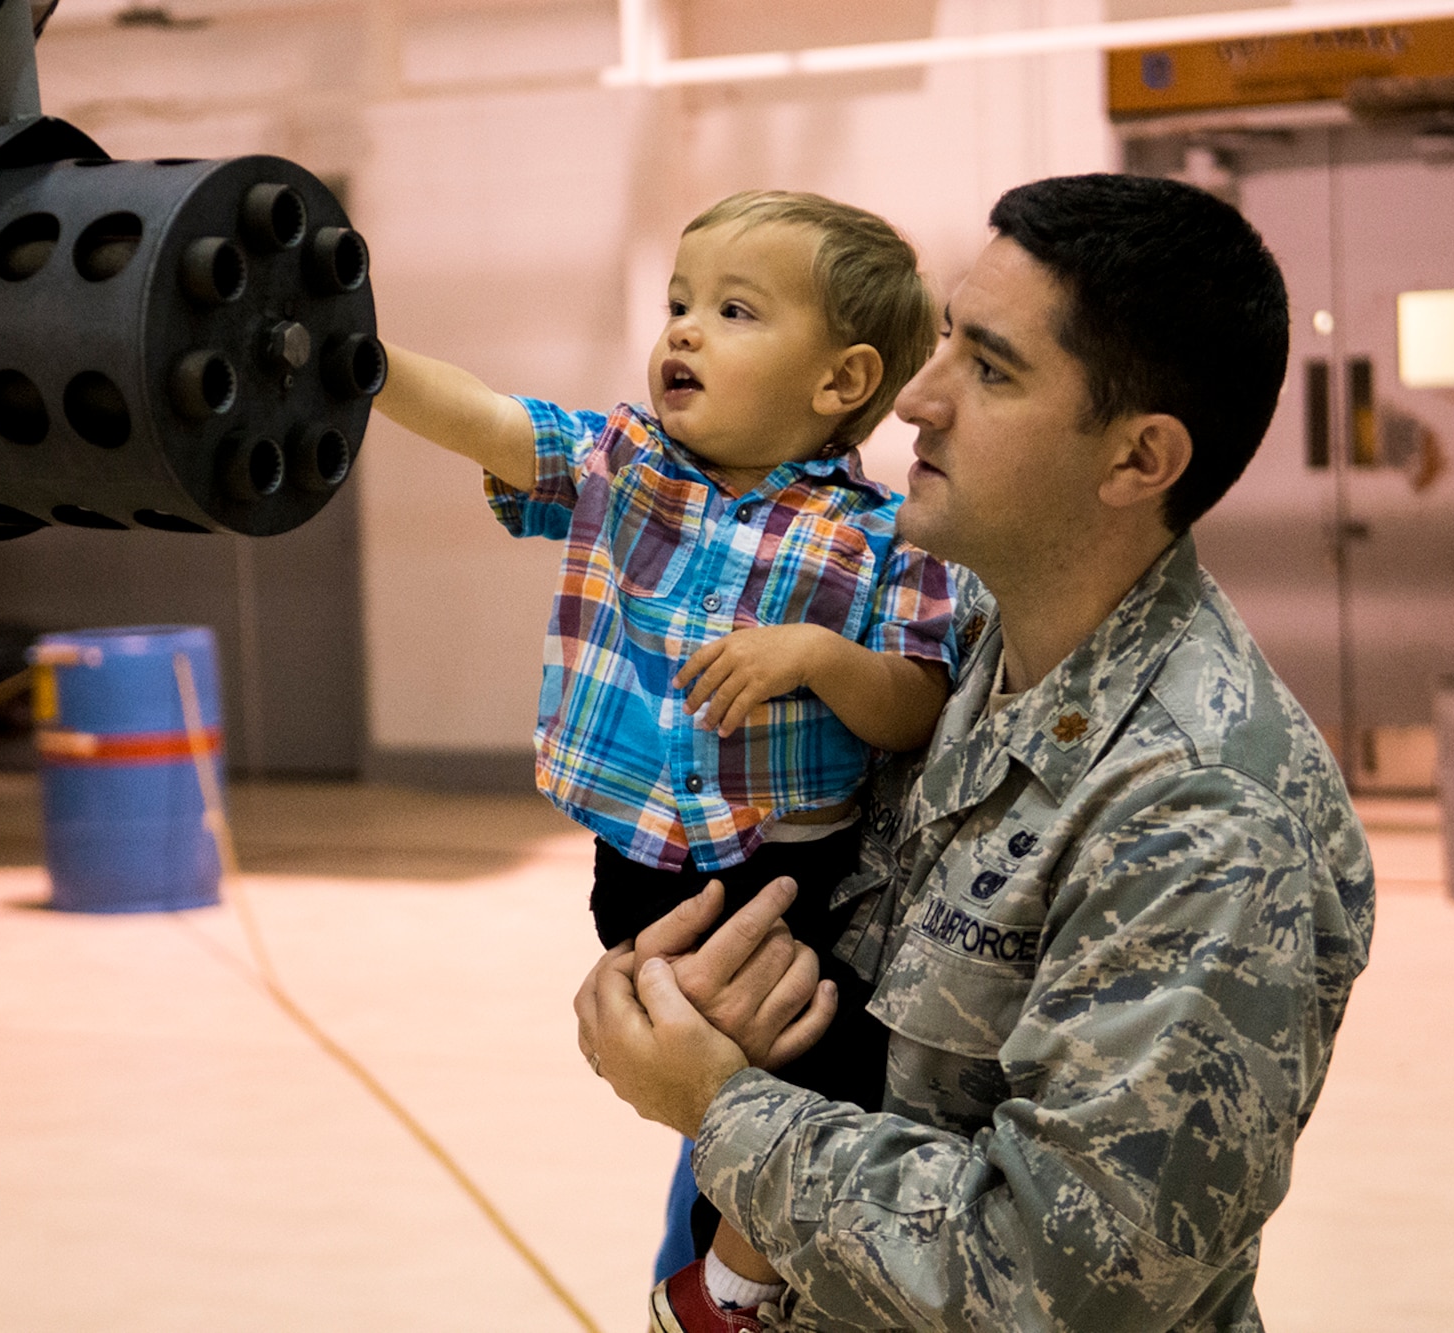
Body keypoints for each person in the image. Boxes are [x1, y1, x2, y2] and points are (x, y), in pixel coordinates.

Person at [577, 172, 1376, 1332]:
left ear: (1137, 460)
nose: (914, 398)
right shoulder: (953, 644)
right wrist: (683, 985)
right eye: (945, 337)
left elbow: (1058, 1281)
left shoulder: (1200, 815)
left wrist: (716, 1101)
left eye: (989, 367)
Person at [371, 190, 958, 1314]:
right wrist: (367, 361)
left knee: (819, 1073)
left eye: (733, 310)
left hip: (798, 872)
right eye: (678, 302)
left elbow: (910, 705)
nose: (681, 329)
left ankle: (725, 1281)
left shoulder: (882, 534)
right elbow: (492, 421)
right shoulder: (625, 467)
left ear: (840, 381)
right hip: (644, 865)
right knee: (725, 1059)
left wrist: (819, 658)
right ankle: (728, 1285)